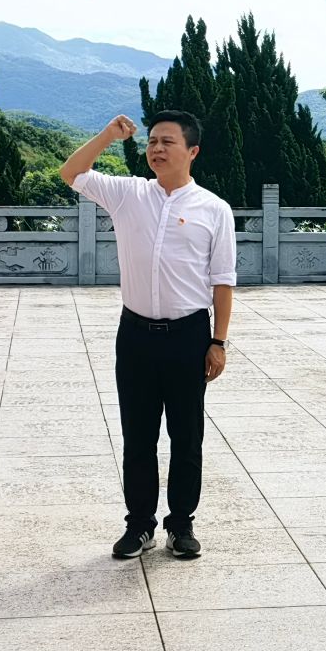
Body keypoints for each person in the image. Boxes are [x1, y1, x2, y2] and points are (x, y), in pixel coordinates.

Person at [61, 112, 237, 561]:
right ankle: (140, 525)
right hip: (136, 334)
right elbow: (71, 172)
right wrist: (108, 135)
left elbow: (222, 280)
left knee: (186, 436)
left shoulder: (214, 209)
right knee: (137, 435)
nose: (157, 149)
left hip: (188, 336)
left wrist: (218, 342)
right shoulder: (128, 194)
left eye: (168, 142)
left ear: (192, 151)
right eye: (153, 141)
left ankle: (181, 524)